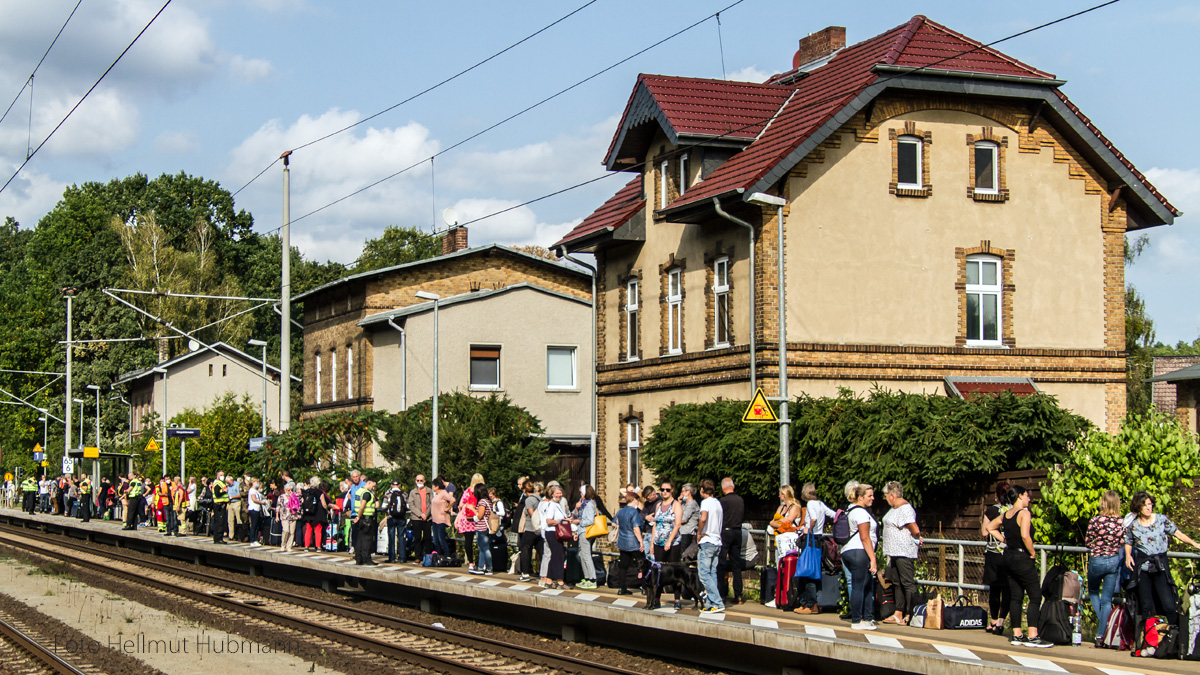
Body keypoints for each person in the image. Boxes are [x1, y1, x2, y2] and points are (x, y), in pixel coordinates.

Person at [1124, 491, 1200, 643]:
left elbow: (1177, 533)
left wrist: (1194, 544)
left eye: (1150, 504)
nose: (1148, 508)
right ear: (1138, 507)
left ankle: (1174, 638)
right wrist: (1128, 556)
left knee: (1168, 601)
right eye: (1145, 505)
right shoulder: (1133, 526)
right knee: (1145, 604)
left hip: (1160, 565)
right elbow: (1128, 541)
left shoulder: (1161, 520)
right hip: (1143, 567)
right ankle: (1147, 640)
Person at [987, 485, 1052, 648]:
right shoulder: (1024, 513)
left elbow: (990, 528)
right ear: (1021, 496)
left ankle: (1016, 634)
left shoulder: (1006, 514)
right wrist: (1032, 553)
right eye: (1027, 496)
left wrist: (1004, 540)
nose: (1029, 499)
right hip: (1022, 556)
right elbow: (1025, 535)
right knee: (1035, 596)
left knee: (1016, 596)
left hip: (1008, 556)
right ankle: (1033, 635)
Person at [1086, 490, 1124, 647]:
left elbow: (1088, 541)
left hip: (1097, 559)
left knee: (1093, 592)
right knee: (1107, 600)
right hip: (1113, 560)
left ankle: (1103, 622)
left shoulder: (1095, 521)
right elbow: (1123, 541)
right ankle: (1101, 636)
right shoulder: (1121, 522)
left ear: (1103, 502)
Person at [881, 481, 921, 625]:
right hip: (894, 552)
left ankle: (910, 614)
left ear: (892, 496)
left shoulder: (905, 509)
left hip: (904, 551)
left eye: (886, 495)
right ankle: (898, 612)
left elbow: (915, 529)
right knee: (897, 582)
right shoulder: (894, 508)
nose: (884, 498)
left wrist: (917, 537)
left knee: (907, 583)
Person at [842, 484, 878, 631]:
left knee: (867, 585)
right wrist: (873, 558)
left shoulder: (850, 510)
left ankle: (867, 618)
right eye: (869, 496)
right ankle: (857, 620)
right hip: (859, 551)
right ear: (861, 497)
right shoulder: (861, 513)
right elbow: (865, 538)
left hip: (849, 551)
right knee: (858, 586)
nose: (873, 498)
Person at [982, 482, 1011, 635]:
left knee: (994, 589)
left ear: (996, 495)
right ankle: (1001, 621)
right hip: (1009, 553)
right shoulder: (1013, 511)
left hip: (993, 553)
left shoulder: (992, 510)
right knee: (1007, 589)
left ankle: (992, 620)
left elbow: (984, 532)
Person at [696, 479, 725, 613]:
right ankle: (710, 603)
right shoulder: (717, 503)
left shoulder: (705, 502)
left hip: (707, 540)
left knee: (703, 574)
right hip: (717, 541)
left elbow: (703, 518)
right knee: (712, 573)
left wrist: (699, 532)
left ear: (702, 489)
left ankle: (718, 602)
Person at [571, 484, 606, 589]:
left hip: (586, 532)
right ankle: (587, 578)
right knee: (582, 555)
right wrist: (576, 511)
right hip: (582, 531)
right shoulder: (583, 504)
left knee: (586, 555)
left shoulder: (589, 505)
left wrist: (579, 522)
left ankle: (592, 579)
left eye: (581, 493)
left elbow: (590, 520)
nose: (580, 495)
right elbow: (575, 514)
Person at [718, 477, 745, 604]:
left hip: (725, 531)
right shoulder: (740, 500)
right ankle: (738, 595)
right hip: (737, 531)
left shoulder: (722, 501)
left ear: (723, 488)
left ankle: (722, 594)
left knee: (721, 563)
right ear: (733, 486)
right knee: (736, 565)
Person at [615, 489, 644, 596]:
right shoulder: (634, 512)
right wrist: (641, 541)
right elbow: (636, 528)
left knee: (623, 566)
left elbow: (614, 523)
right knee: (642, 563)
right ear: (634, 500)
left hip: (622, 541)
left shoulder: (620, 511)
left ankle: (621, 588)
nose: (638, 502)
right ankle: (645, 586)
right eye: (638, 500)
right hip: (633, 542)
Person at [541, 484, 570, 589]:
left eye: (560, 493)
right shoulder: (552, 505)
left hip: (556, 533)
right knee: (558, 556)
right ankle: (560, 581)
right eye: (557, 493)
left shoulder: (557, 505)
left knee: (555, 556)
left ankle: (549, 581)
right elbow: (549, 521)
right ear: (552, 494)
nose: (560, 495)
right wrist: (561, 521)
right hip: (552, 533)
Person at [652, 480, 684, 563]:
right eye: (662, 490)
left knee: (671, 570)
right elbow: (655, 525)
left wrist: (669, 541)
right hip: (658, 543)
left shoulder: (676, 505)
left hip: (672, 543)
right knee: (658, 568)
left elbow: (677, 525)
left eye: (667, 490)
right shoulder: (658, 505)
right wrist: (652, 543)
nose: (665, 492)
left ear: (672, 490)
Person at [457, 473, 484, 571]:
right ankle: (483, 563)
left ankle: (471, 563)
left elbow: (460, 504)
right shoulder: (482, 491)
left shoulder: (467, 491)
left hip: (467, 519)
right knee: (482, 542)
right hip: (479, 517)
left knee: (468, 542)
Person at [517, 479, 541, 581]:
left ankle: (525, 573)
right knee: (541, 551)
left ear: (525, 490)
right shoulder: (540, 499)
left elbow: (532, 514)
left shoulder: (529, 500)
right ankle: (545, 574)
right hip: (539, 529)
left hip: (531, 528)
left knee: (525, 549)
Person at [352, 478, 378, 565]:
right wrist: (359, 517)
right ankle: (367, 559)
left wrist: (358, 517)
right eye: (373, 486)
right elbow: (362, 506)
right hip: (366, 519)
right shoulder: (366, 493)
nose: (373, 488)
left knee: (360, 539)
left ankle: (359, 558)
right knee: (367, 540)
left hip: (361, 518)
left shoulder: (359, 491)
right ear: (369, 483)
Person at [407, 474, 432, 560]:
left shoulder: (429, 491)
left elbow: (432, 503)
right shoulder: (413, 492)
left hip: (427, 518)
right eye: (418, 480)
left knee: (427, 538)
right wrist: (420, 514)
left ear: (424, 481)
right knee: (417, 538)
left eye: (421, 480)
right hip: (416, 518)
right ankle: (417, 556)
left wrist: (426, 514)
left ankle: (428, 557)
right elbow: (411, 504)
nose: (419, 482)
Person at [383, 479, 407, 563]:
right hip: (401, 518)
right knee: (401, 538)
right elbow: (407, 506)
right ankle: (402, 558)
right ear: (399, 485)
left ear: (391, 485)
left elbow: (383, 506)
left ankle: (392, 558)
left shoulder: (388, 494)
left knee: (391, 538)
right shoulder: (404, 494)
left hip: (391, 518)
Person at [471, 483, 493, 574]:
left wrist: (472, 509)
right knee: (484, 548)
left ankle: (488, 568)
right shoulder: (489, 501)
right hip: (487, 527)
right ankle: (481, 567)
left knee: (485, 548)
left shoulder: (482, 502)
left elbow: (479, 516)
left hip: (481, 528)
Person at [430, 477, 453, 556]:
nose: (432, 487)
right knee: (435, 539)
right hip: (435, 519)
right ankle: (439, 555)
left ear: (437, 486)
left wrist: (448, 508)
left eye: (433, 486)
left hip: (441, 519)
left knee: (441, 539)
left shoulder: (443, 493)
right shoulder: (437, 494)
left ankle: (447, 555)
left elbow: (452, 499)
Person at [677, 483, 700, 554]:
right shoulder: (684, 504)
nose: (681, 493)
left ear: (688, 492)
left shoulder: (692, 504)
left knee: (684, 554)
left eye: (683, 491)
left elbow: (683, 519)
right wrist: (679, 503)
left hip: (687, 533)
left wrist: (675, 521)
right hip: (681, 532)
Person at [210, 471, 230, 544]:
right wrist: (225, 491)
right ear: (217, 476)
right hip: (219, 505)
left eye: (223, 475)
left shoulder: (220, 483)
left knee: (218, 521)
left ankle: (218, 538)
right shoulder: (218, 483)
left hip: (220, 504)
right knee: (220, 522)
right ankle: (218, 538)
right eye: (221, 475)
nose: (223, 476)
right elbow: (217, 494)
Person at [247, 479, 266, 546]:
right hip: (253, 509)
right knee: (254, 524)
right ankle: (252, 540)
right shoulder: (252, 490)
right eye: (256, 482)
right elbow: (254, 499)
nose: (258, 483)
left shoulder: (256, 490)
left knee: (257, 525)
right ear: (252, 482)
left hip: (257, 509)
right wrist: (262, 502)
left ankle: (255, 539)